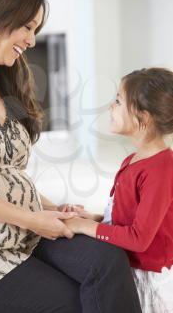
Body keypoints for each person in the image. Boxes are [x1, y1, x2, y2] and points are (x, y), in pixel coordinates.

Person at [0, 0, 141, 313]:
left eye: (36, 31)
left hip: (26, 229)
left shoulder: (4, 82)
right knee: (74, 301)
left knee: (108, 261)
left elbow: (7, 174)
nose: (32, 41)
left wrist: (50, 208)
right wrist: (33, 219)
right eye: (28, 27)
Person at [66, 68, 173, 312]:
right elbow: (126, 216)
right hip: (126, 267)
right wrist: (92, 218)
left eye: (117, 101)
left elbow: (139, 238)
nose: (110, 107)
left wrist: (85, 227)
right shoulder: (133, 159)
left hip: (149, 279)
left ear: (142, 118)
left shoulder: (161, 170)